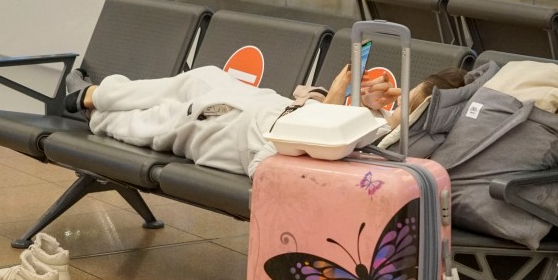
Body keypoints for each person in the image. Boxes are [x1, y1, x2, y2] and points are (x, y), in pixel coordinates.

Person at [65, 63, 467, 177]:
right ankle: (95, 93)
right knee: (199, 76)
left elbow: (287, 165)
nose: (395, 106)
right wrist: (352, 105)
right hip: (262, 104)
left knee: (159, 120)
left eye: (405, 104)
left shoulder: (384, 154)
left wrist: (333, 105)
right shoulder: (378, 124)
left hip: (235, 130)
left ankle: (92, 107)